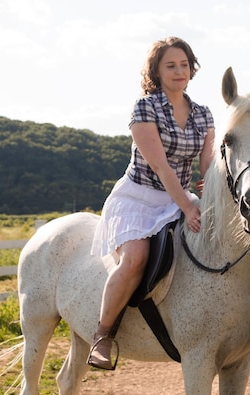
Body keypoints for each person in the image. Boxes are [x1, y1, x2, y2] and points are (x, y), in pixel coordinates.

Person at [88, 36, 215, 370]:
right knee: (135, 259)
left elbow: (208, 163)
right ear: (156, 71)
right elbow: (160, 167)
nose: (179, 71)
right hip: (139, 198)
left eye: (184, 65)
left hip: (178, 198)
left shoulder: (203, 114)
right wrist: (188, 207)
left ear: (192, 69)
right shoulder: (145, 107)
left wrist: (213, 181)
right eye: (170, 65)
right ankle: (103, 336)